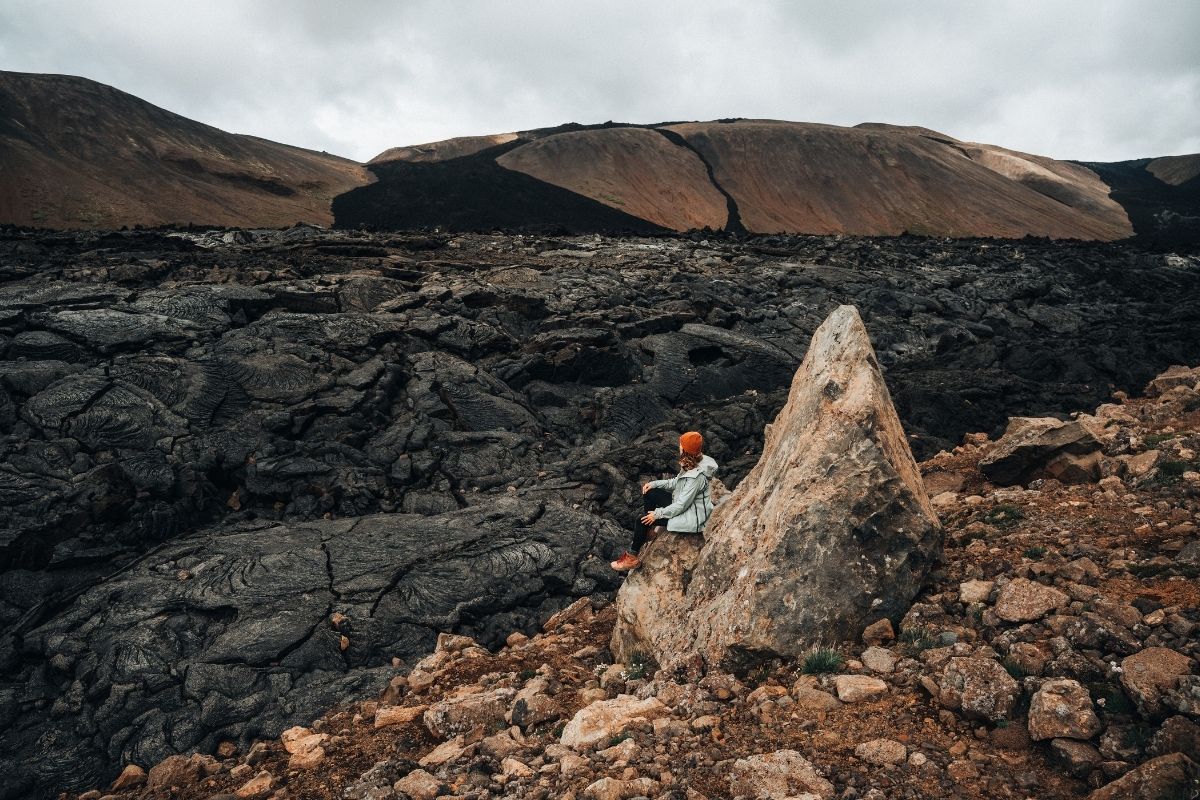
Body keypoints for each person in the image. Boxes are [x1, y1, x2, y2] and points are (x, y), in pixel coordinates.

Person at [611, 431, 718, 571]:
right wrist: (654, 484)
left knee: (641, 520)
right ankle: (649, 530)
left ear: (686, 450)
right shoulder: (692, 462)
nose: (679, 446)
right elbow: (676, 483)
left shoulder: (696, 478)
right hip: (686, 507)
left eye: (681, 444)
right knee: (649, 491)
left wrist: (657, 514)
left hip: (690, 517)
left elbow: (681, 506)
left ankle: (632, 558)